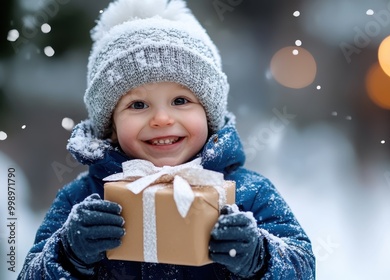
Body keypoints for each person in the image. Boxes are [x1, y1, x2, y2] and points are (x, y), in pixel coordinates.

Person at [18, 0, 315, 279]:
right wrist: (69, 253)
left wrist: (260, 257)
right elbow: (30, 272)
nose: (162, 119)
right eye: (138, 105)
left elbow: (303, 265)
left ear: (209, 115)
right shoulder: (84, 198)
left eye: (180, 100)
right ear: (110, 125)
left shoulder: (248, 194)